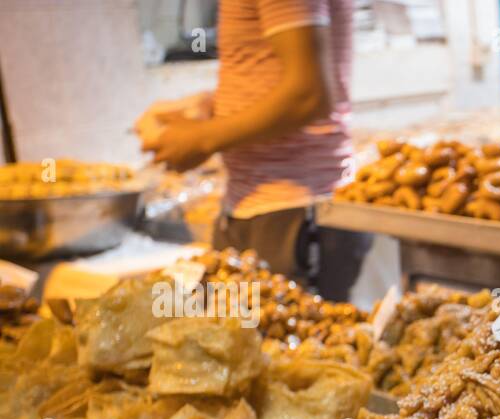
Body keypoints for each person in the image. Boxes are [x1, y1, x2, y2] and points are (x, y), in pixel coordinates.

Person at [137, 0, 370, 300]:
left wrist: (202, 139)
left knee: (292, 342)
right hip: (258, 207)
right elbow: (270, 74)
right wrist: (210, 109)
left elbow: (308, 95)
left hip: (294, 211)